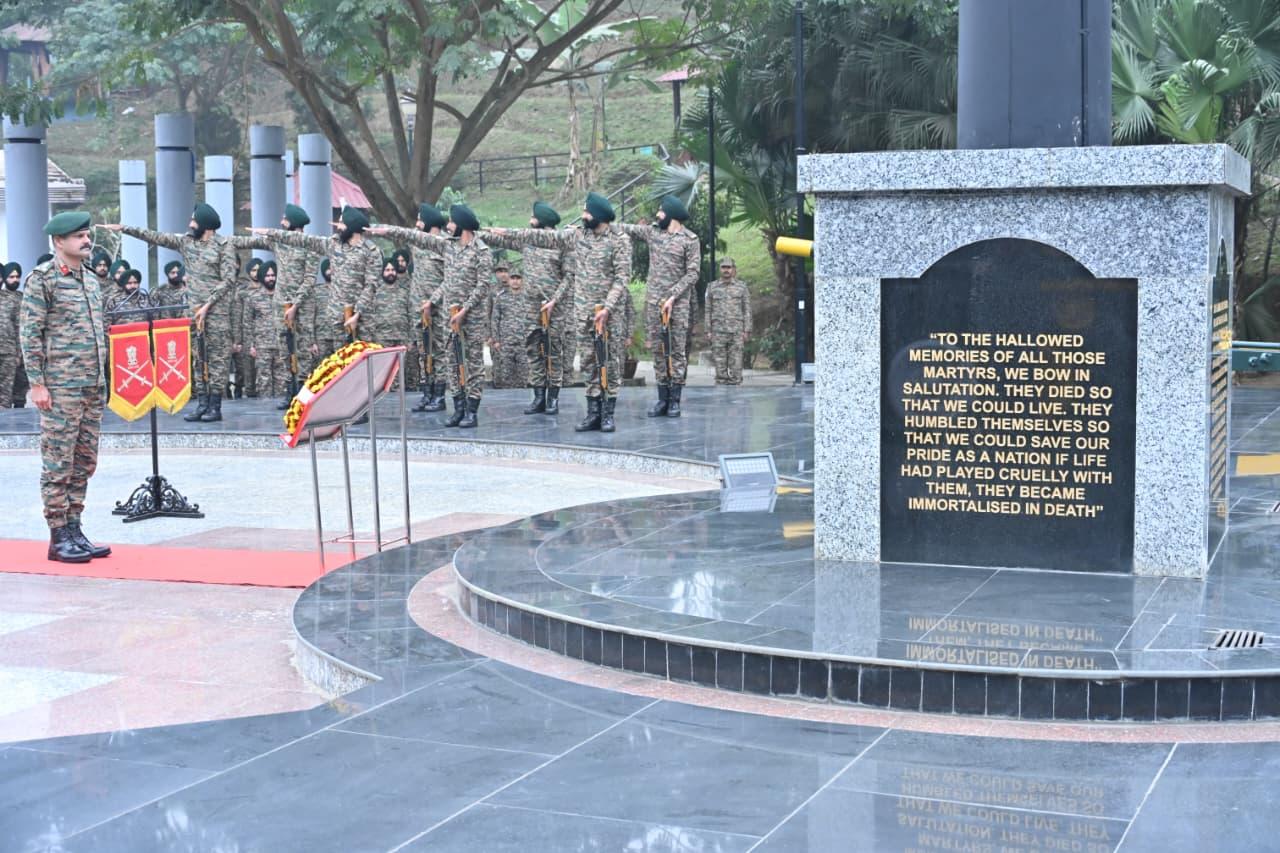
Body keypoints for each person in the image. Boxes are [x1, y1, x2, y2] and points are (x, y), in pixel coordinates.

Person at [482, 192, 631, 433]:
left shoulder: (619, 240)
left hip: (608, 313)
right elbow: (541, 237)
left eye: (586, 212)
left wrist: (607, 307)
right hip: (584, 312)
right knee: (589, 362)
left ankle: (608, 414)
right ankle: (593, 413)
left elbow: (622, 278)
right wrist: (506, 232)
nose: (583, 216)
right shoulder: (577, 236)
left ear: (599, 215)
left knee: (609, 363)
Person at [20, 212, 112, 563]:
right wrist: (37, 384)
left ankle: (75, 529)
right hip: (60, 388)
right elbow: (30, 334)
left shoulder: (90, 280)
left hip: (90, 387)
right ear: (59, 242)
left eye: (87, 235)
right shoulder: (43, 280)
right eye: (78, 237)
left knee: (83, 461)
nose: (86, 241)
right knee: (58, 462)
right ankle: (58, 535)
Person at [105, 203, 238, 422]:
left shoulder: (224, 246)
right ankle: (202, 404)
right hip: (194, 313)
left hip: (217, 314)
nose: (190, 223)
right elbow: (156, 237)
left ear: (204, 224)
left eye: (194, 220)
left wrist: (208, 305)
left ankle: (215, 406)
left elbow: (228, 280)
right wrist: (125, 228)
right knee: (198, 357)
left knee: (217, 360)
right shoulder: (186, 243)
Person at [369, 204, 492, 428]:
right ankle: (458, 407)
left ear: (462, 225)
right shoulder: (448, 246)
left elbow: (483, 285)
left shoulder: (481, 251)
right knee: (453, 361)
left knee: (472, 364)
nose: (449, 226)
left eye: (452, 222)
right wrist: (383, 230)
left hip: (470, 317)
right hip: (449, 315)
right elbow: (414, 236)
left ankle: (472, 410)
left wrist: (465, 309)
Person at [253, 205, 381, 356]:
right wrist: (271, 233)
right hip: (337, 315)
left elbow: (371, 285)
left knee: (363, 358)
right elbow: (303, 239)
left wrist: (357, 313)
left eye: (341, 223)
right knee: (342, 360)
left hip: (363, 317)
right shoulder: (334, 245)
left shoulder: (371, 251)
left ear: (351, 226)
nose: (338, 226)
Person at [485, 201, 575, 414]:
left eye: (533, 218)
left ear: (541, 221)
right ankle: (538, 397)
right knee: (534, 352)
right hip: (531, 308)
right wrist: (476, 232)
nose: (529, 221)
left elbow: (569, 276)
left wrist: (555, 300)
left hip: (555, 309)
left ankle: (552, 397)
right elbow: (500, 239)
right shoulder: (529, 243)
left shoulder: (562, 244)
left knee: (553, 353)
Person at [615, 195, 700, 418]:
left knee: (677, 352)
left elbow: (693, 273)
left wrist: (672, 296)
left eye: (660, 212)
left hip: (678, 304)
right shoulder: (653, 233)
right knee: (659, 352)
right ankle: (662, 399)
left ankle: (675, 400)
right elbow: (627, 228)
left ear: (671, 214)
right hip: (654, 303)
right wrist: (601, 222)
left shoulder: (690, 240)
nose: (657, 215)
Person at [375, 204, 449, 412]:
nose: (416, 224)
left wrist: (432, 301)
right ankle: (427, 392)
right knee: (424, 351)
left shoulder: (444, 245)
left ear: (428, 222)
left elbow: (449, 279)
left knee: (439, 352)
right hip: (418, 308)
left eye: (419, 220)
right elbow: (408, 234)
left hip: (436, 309)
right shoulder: (418, 244)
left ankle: (439, 395)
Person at [369, 255, 414, 389]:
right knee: (384, 371)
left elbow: (411, 314)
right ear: (382, 272)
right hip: (382, 337)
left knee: (399, 372)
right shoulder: (375, 291)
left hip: (401, 337)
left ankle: (398, 398)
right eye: (387, 270)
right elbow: (370, 315)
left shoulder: (405, 291)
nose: (390, 273)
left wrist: (411, 338)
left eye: (393, 270)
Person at [245, 260, 289, 400]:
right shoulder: (253, 297)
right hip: (262, 345)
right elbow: (247, 323)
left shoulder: (284, 296)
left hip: (281, 345)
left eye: (273, 275)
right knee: (264, 382)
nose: (271, 278)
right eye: (268, 275)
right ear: (262, 276)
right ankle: (265, 413)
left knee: (282, 382)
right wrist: (251, 345)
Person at [705, 257, 752, 385]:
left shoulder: (742, 287)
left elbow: (747, 309)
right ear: (720, 269)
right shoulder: (712, 287)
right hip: (718, 331)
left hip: (736, 331)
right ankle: (721, 394)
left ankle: (736, 393)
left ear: (733, 269)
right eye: (723, 267)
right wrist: (708, 330)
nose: (726, 270)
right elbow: (708, 310)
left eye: (729, 267)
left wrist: (746, 330)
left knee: (736, 365)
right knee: (720, 367)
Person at [490, 265, 529, 389]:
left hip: (524, 343)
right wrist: (496, 340)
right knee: (506, 377)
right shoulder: (501, 297)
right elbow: (495, 319)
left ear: (522, 280)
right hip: (506, 343)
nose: (515, 281)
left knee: (523, 378)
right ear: (509, 280)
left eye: (518, 278)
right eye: (513, 278)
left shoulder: (528, 298)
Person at [0, 262, 22, 408]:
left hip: (7, 352)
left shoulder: (11, 298)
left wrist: (18, 352)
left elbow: (19, 326)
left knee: (5, 395)